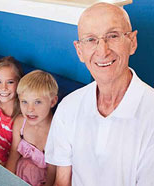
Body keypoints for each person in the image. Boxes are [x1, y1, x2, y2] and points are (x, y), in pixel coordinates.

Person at [45, 2, 154, 186]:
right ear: (79, 51)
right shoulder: (68, 107)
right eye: (90, 39)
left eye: (113, 36)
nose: (103, 50)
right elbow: (62, 181)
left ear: (132, 42)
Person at [6, 70, 58, 186]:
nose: (29, 109)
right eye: (24, 102)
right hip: (19, 175)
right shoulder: (20, 123)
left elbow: (52, 171)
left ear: (53, 101)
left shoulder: (56, 132)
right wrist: (6, 179)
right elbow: (13, 155)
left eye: (37, 102)